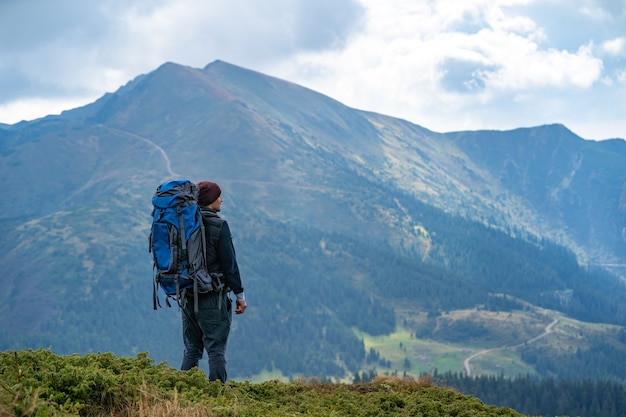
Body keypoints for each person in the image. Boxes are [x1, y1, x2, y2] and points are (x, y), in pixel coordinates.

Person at [180, 180, 247, 382]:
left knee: (192, 349)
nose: (222, 199)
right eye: (219, 196)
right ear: (210, 200)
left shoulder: (183, 224)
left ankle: (180, 395)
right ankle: (216, 399)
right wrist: (239, 295)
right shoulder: (219, 226)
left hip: (187, 294)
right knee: (215, 350)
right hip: (212, 296)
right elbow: (230, 265)